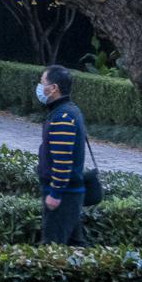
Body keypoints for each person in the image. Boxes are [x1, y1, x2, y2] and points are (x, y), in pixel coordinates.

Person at [37, 65, 89, 246]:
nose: (39, 87)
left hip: (64, 195)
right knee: (76, 247)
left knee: (52, 249)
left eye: (42, 82)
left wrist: (55, 193)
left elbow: (62, 160)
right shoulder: (68, 110)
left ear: (54, 88)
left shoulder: (63, 117)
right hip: (70, 193)